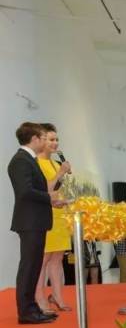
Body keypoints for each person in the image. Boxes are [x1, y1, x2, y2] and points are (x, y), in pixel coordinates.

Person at [8, 122, 65, 324]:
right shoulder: (20, 161)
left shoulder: (28, 159)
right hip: (29, 221)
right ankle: (26, 311)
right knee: (29, 266)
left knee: (34, 266)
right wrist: (49, 197)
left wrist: (52, 200)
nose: (45, 141)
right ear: (34, 139)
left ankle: (32, 308)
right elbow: (25, 192)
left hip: (36, 220)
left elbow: (35, 191)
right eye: (43, 138)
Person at [34, 123, 72, 313]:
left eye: (56, 139)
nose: (55, 143)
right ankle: (39, 298)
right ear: (41, 140)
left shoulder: (56, 163)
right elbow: (45, 190)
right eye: (51, 139)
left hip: (60, 216)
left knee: (57, 258)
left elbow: (60, 190)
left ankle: (57, 296)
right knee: (43, 259)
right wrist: (60, 173)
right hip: (45, 216)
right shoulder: (35, 164)